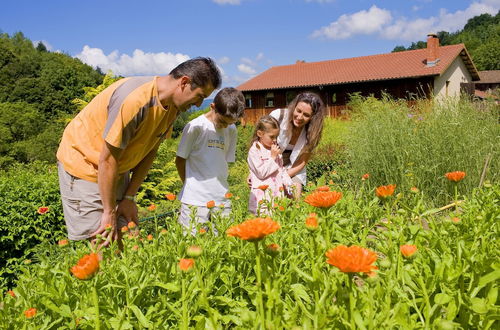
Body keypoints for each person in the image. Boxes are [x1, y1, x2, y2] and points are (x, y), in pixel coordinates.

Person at [57, 57, 221, 244]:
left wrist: (129, 197)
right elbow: (107, 159)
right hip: (85, 165)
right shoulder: (135, 100)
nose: (199, 104)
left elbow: (151, 149)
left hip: (115, 168)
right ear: (184, 82)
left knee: (129, 239)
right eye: (200, 96)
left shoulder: (173, 107)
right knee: (103, 241)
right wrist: (109, 211)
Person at [175, 87, 245, 235]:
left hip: (222, 197)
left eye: (230, 123)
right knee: (192, 242)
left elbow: (223, 161)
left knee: (224, 243)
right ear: (212, 107)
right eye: (222, 121)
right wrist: (189, 185)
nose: (225, 126)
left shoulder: (232, 129)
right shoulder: (196, 127)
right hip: (194, 199)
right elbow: (180, 160)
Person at [269, 92, 326, 198]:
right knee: (269, 201)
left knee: (294, 199)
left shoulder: (313, 133)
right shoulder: (278, 116)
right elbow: (259, 146)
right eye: (298, 111)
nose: (299, 117)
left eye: (306, 115)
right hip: (270, 164)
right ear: (294, 107)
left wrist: (283, 177)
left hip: (294, 167)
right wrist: (256, 172)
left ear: (313, 117)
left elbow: (302, 161)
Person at [247, 115, 292, 215]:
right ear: (260, 134)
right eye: (272, 137)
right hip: (262, 196)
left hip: (276, 192)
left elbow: (281, 170)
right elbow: (261, 173)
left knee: (277, 221)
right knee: (263, 222)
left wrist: (289, 185)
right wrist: (272, 157)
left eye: (277, 136)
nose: (275, 140)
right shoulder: (254, 151)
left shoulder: (274, 149)